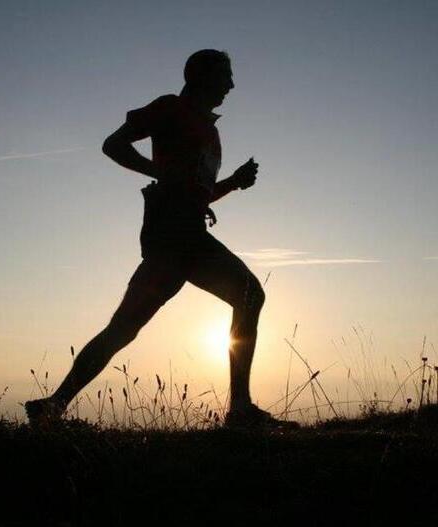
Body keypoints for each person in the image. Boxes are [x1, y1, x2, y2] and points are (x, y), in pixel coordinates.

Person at [25, 49, 298, 430]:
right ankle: (239, 411)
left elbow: (195, 190)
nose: (232, 86)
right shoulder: (171, 108)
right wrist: (160, 173)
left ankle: (53, 405)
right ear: (200, 77)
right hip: (171, 235)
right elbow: (114, 144)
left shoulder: (211, 130)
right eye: (225, 77)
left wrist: (233, 183)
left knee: (132, 325)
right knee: (242, 296)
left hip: (187, 232)